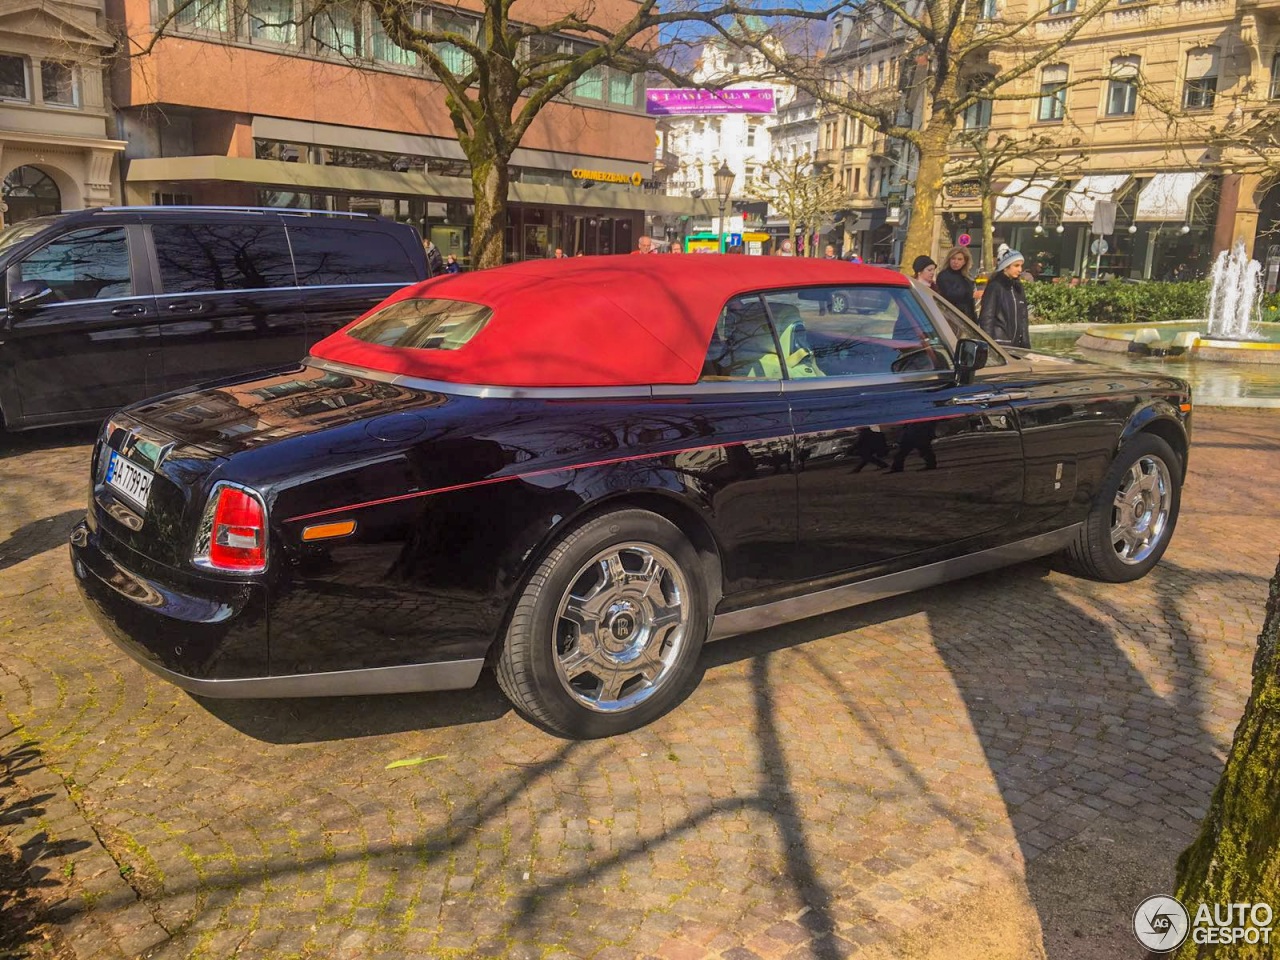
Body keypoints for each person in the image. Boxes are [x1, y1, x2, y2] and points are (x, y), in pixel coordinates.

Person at [979, 248, 1030, 348]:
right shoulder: (995, 287)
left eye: (1021, 266)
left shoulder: (1018, 287)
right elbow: (987, 317)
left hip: (1016, 345)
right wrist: (989, 345)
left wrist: (1025, 344)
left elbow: (1023, 319)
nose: (1020, 269)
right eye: (1016, 265)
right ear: (1005, 267)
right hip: (999, 343)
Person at [935, 246, 977, 321]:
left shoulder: (967, 277)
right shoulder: (944, 275)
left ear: (965, 261)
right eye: (953, 258)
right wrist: (971, 294)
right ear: (949, 260)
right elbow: (951, 294)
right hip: (950, 317)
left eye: (959, 259)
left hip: (966, 318)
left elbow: (971, 304)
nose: (956, 262)